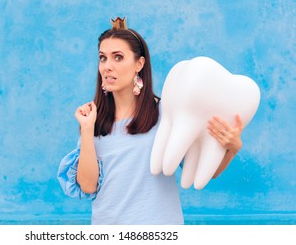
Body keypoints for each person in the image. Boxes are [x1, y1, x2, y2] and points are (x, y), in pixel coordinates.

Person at [57, 17, 243, 225]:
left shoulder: (165, 113)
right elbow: (88, 186)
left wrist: (231, 149)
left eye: (118, 57)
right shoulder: (92, 120)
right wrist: (86, 129)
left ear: (139, 63)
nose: (107, 66)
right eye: (103, 58)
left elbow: (203, 171)